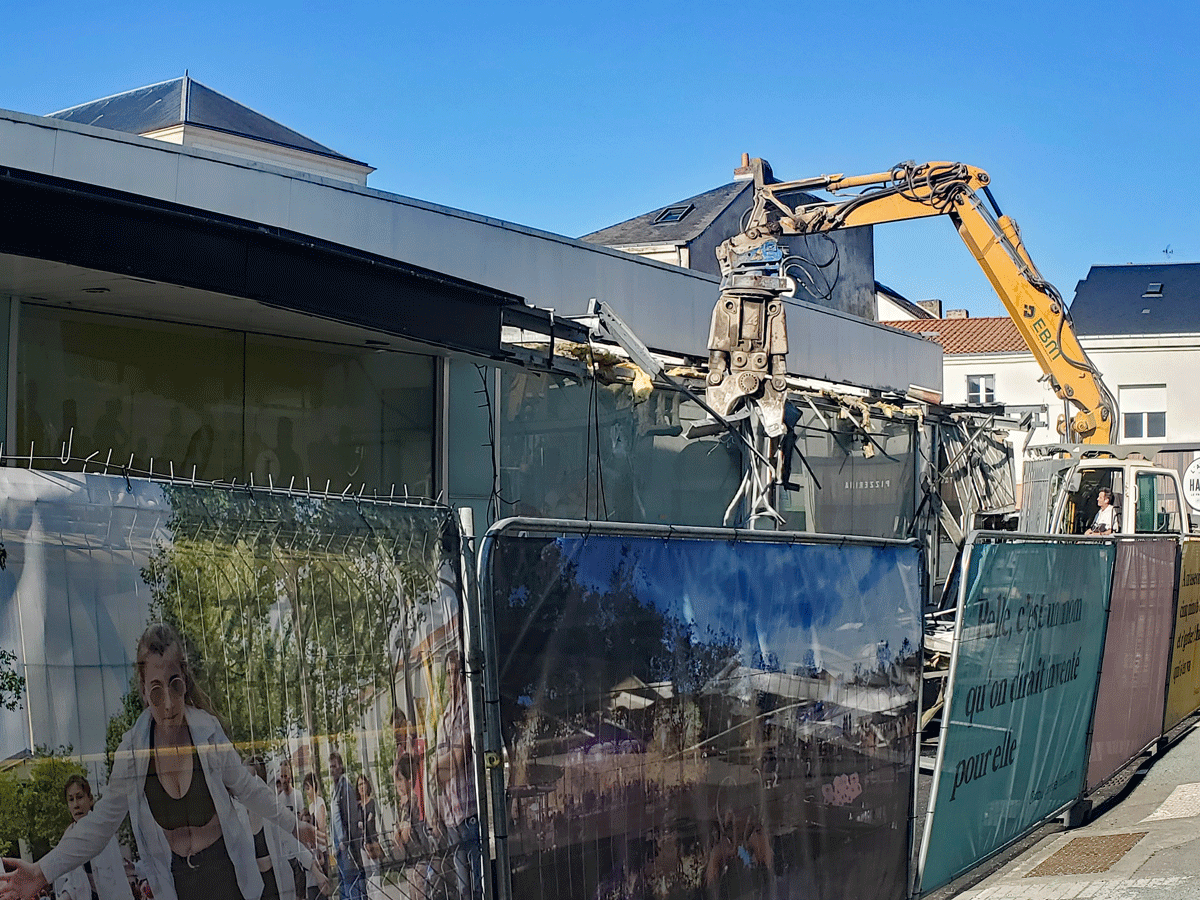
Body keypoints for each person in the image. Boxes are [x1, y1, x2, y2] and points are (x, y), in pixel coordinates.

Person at [0, 622, 313, 900]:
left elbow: (248, 789)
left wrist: (296, 826)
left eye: (174, 685)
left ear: (184, 681)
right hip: (177, 882)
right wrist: (42, 872)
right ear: (143, 689)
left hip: (225, 874)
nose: (168, 703)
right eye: (156, 690)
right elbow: (100, 824)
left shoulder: (206, 733)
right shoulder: (133, 753)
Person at [241, 758, 328, 900]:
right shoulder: (239, 817)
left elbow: (292, 841)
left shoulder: (270, 815)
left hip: (277, 886)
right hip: (255, 891)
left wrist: (317, 874)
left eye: (252, 778)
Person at [434, 651, 480, 900]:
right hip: (452, 817)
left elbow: (459, 759)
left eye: (456, 673)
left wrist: (438, 765)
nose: (452, 680)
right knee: (463, 889)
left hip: (470, 813)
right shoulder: (443, 719)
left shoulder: (467, 709)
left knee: (477, 885)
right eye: (448, 674)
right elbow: (441, 773)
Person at [54, 775, 130, 900]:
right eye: (71, 800)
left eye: (79, 797)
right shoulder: (67, 841)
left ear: (90, 799)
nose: (76, 805)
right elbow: (69, 882)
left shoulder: (104, 828)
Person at [328, 752, 366, 900]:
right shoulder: (336, 790)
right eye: (330, 767)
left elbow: (352, 820)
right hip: (340, 849)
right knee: (345, 890)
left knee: (353, 889)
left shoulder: (346, 788)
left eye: (334, 766)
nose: (332, 770)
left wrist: (349, 845)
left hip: (347, 849)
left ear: (341, 767)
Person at [355, 776, 384, 900]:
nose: (362, 787)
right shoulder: (357, 807)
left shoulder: (371, 803)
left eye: (363, 784)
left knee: (375, 876)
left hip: (372, 843)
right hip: (362, 845)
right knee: (367, 877)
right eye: (359, 785)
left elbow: (370, 823)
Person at [302, 774, 330, 900]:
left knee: (323, 888)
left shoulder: (319, 803)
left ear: (313, 787)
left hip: (321, 850)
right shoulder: (311, 806)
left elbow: (321, 827)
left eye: (308, 788)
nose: (307, 792)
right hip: (314, 849)